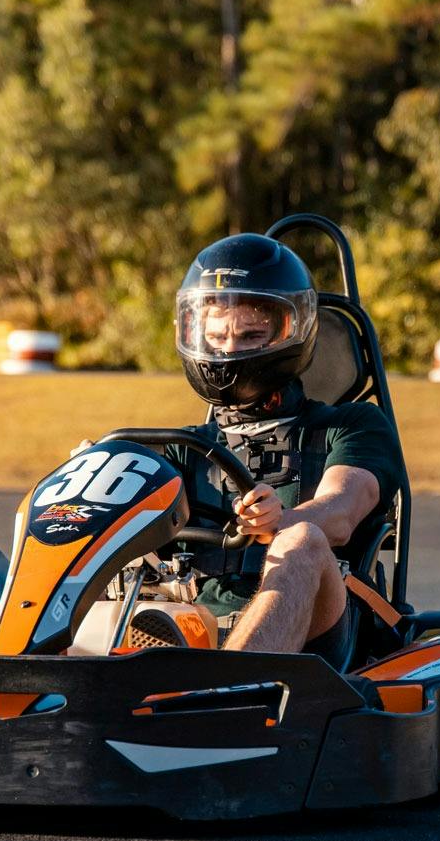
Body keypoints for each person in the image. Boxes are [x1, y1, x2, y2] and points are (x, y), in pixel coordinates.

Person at [159, 232, 408, 663]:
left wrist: (284, 520)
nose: (230, 349)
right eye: (217, 336)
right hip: (191, 625)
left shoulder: (349, 425)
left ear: (292, 333)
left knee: (303, 539)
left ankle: (229, 691)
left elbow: (341, 509)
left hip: (324, 633)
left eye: (251, 334)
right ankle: (36, 682)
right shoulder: (185, 448)